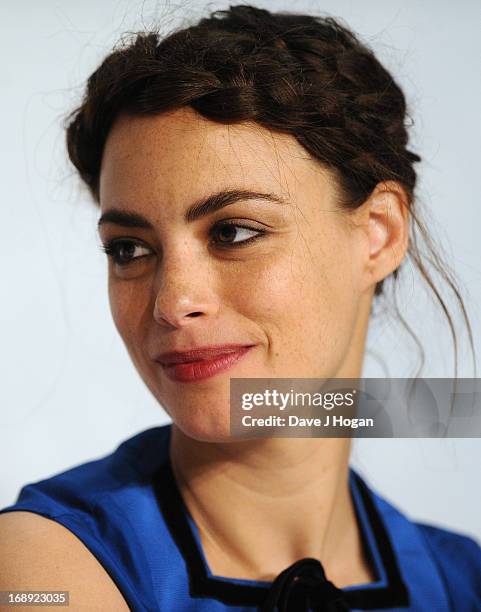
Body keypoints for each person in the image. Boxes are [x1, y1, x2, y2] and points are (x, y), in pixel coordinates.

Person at [0, 5, 479, 611]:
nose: (173, 304)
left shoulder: (462, 580)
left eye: (233, 232)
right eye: (130, 249)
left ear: (378, 234)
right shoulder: (44, 569)